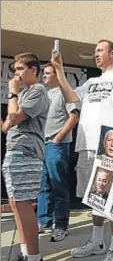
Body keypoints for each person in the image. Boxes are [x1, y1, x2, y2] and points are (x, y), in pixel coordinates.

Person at [51, 39, 113, 260]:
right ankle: (97, 242)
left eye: (100, 50)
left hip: (111, 147)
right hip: (86, 146)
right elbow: (71, 97)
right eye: (95, 51)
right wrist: (59, 69)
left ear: (112, 53)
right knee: (94, 197)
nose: (96, 54)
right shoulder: (91, 82)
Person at [2, 53, 50, 261]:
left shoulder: (38, 91)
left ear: (34, 70)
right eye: (14, 70)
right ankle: (25, 252)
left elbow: (15, 117)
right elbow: (6, 126)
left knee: (23, 204)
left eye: (20, 69)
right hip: (15, 150)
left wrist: (12, 94)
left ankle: (33, 256)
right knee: (15, 203)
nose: (16, 74)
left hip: (27, 151)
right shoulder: (25, 93)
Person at [37, 63, 80, 242]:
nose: (44, 77)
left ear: (56, 75)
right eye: (44, 73)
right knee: (43, 186)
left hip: (57, 145)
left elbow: (74, 115)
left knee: (59, 185)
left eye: (47, 73)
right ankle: (44, 221)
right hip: (42, 144)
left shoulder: (65, 92)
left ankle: (61, 225)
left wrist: (58, 138)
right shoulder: (44, 95)